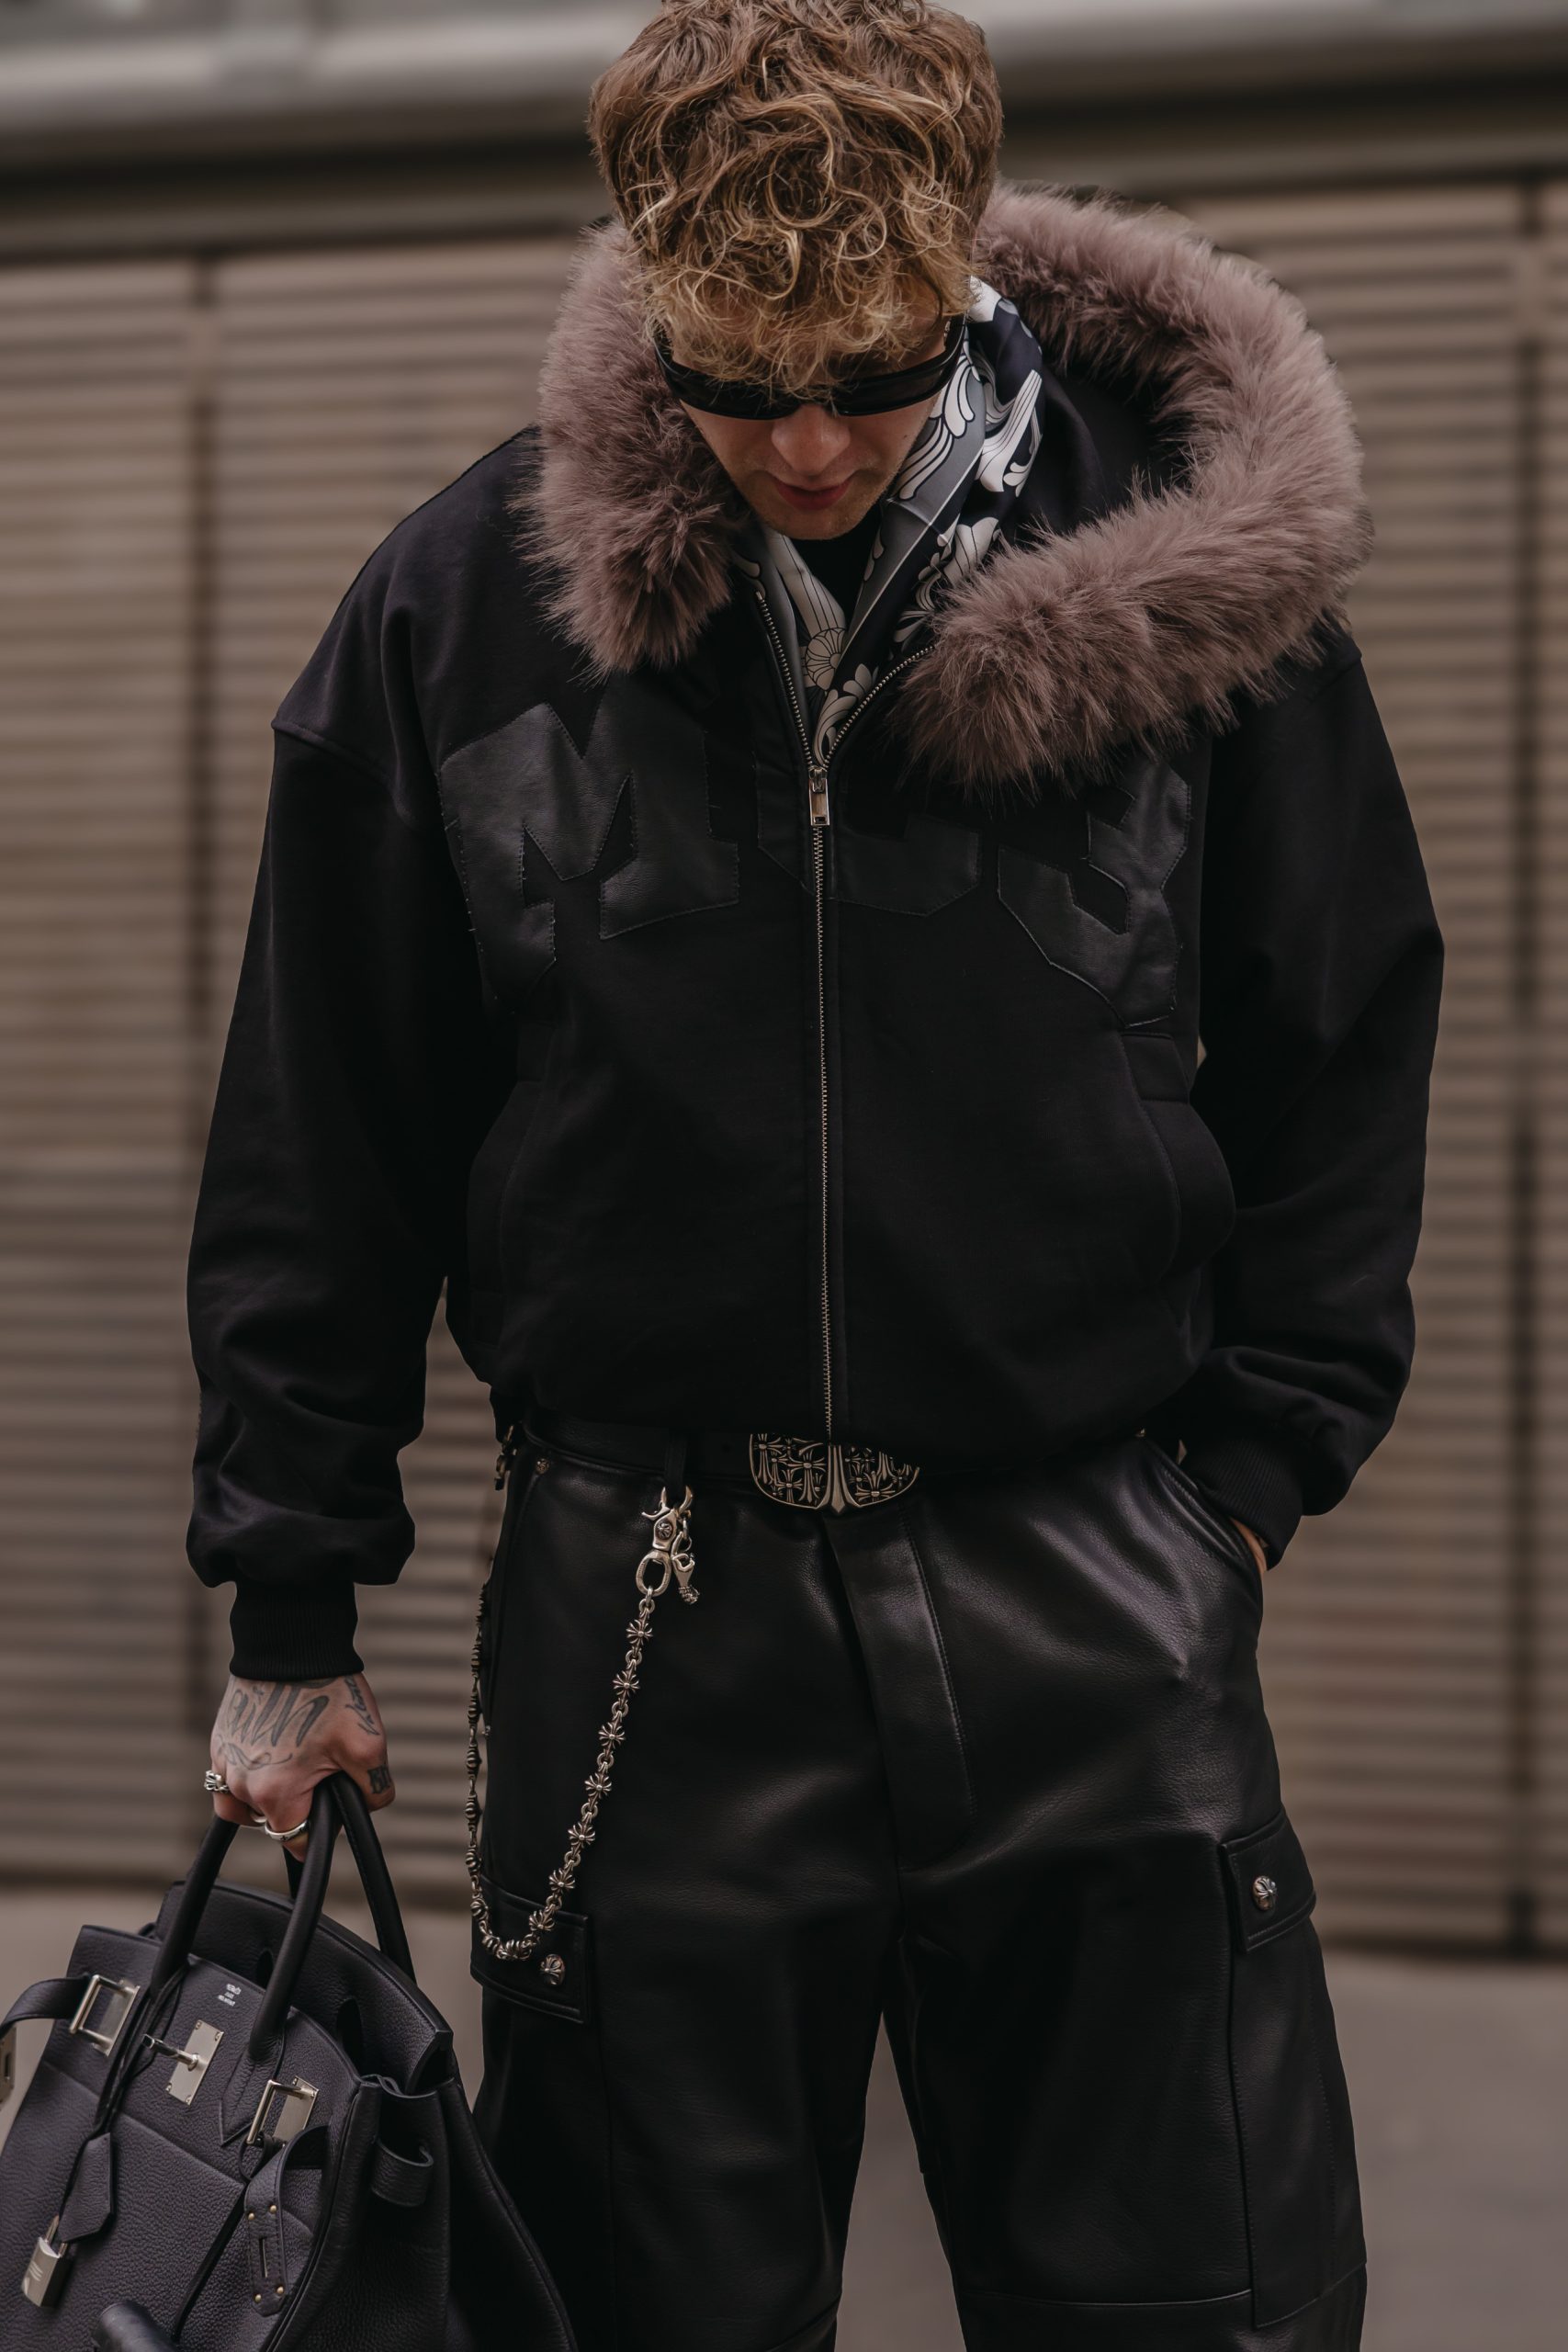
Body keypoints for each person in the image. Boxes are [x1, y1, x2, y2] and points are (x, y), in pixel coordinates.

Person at [186, 3, 1443, 2345]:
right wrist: (287, 1597)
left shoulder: (1186, 583)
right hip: (646, 1612)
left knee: (1191, 2300)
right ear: (649, 295)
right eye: (733, 382)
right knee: (635, 2307)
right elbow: (322, 1124)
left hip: (1090, 1581)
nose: (803, 443)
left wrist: (1249, 1478)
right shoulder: (467, 606)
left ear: (955, 266)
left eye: (867, 373)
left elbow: (1342, 1026)